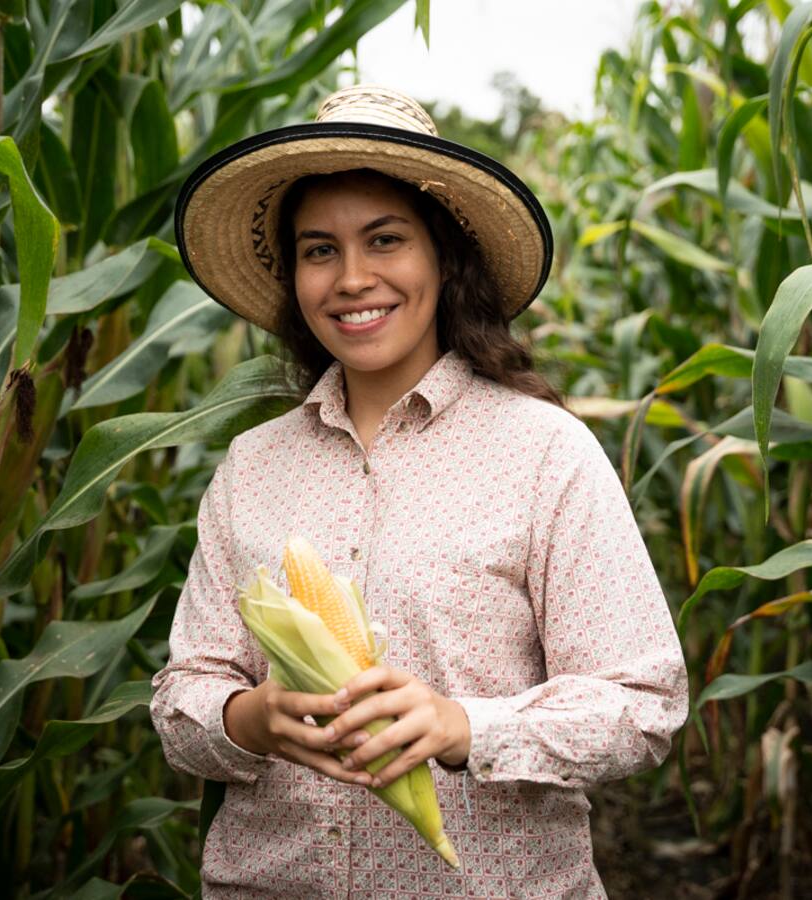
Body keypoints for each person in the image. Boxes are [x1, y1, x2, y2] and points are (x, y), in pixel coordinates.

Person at [151, 84, 688, 898]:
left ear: (445, 256)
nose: (351, 278)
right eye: (319, 250)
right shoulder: (252, 467)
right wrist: (252, 719)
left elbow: (644, 704)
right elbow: (181, 700)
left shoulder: (545, 454)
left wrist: (465, 725)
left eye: (385, 239)